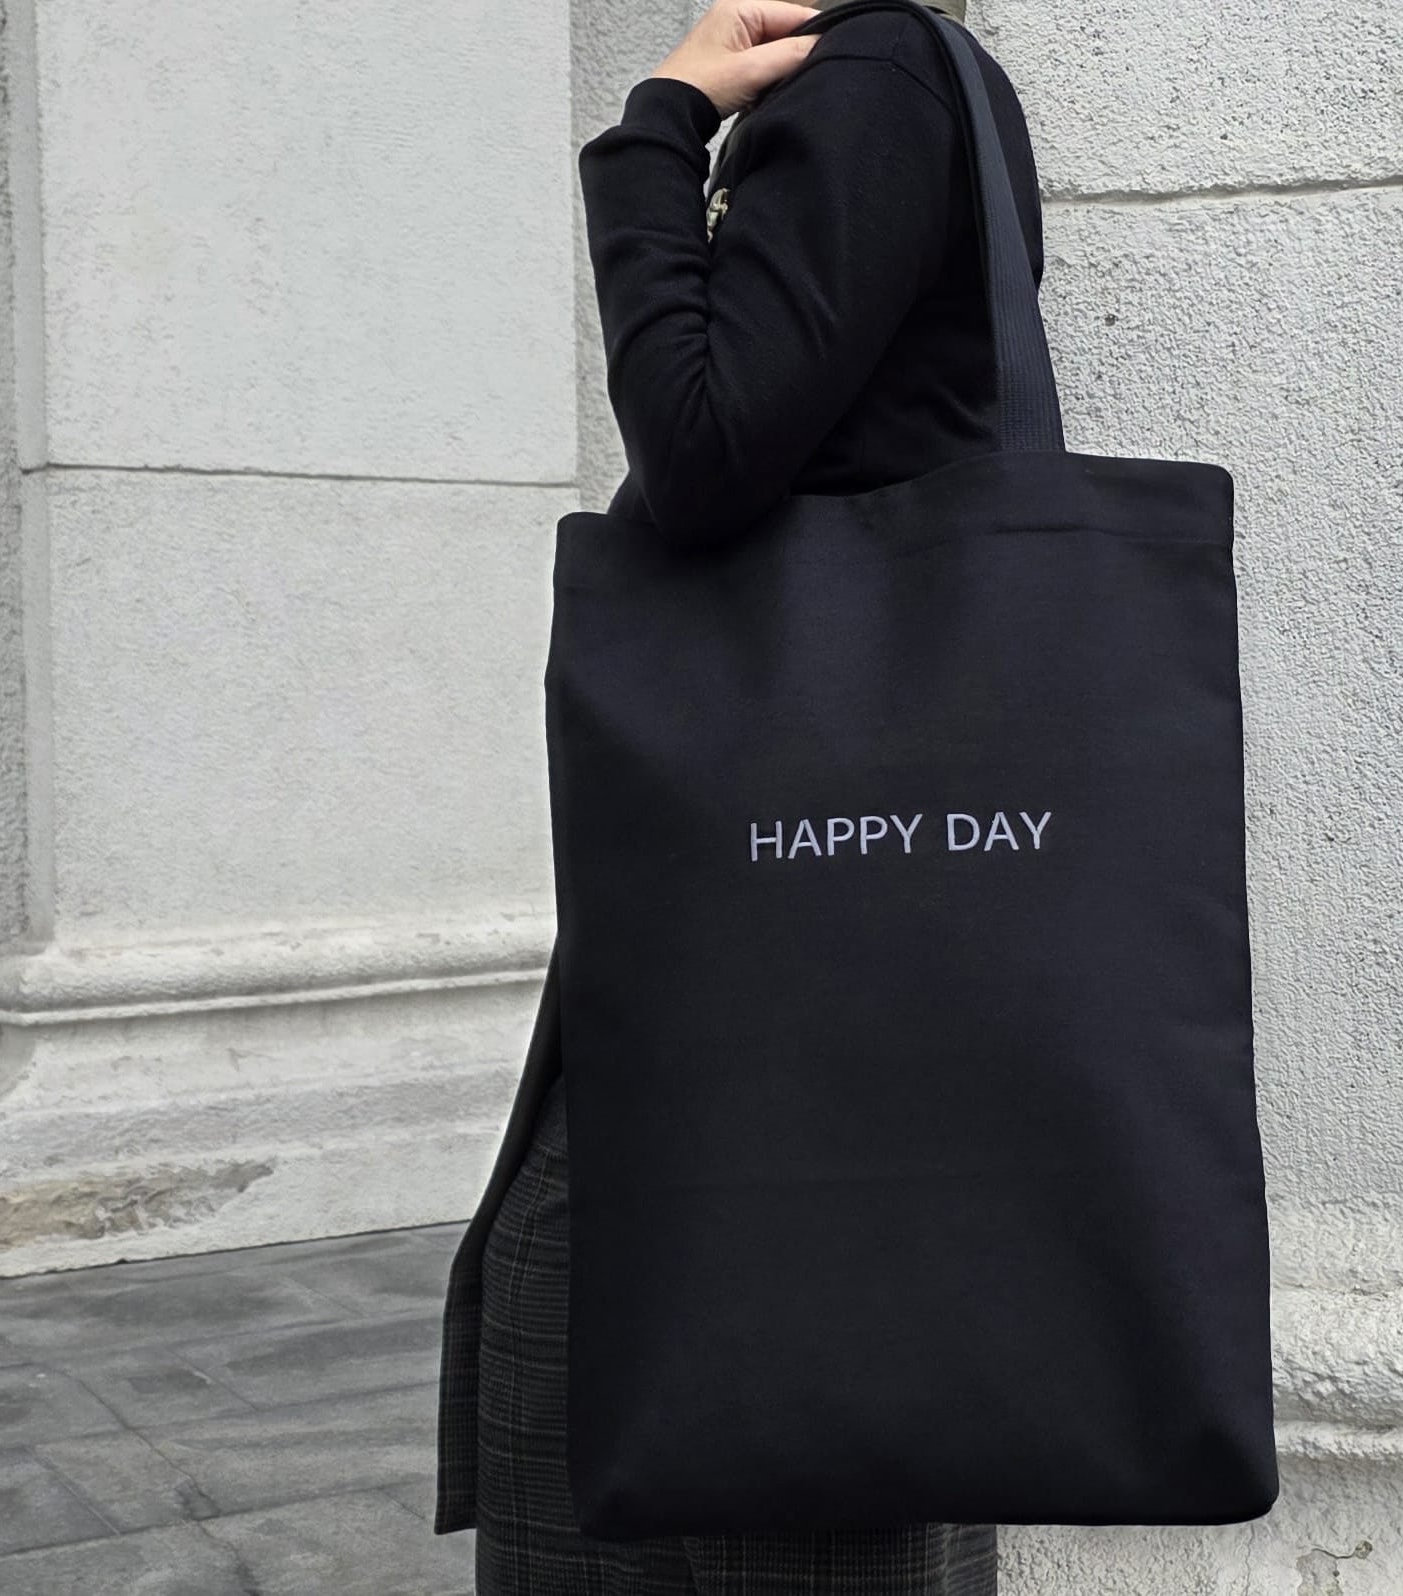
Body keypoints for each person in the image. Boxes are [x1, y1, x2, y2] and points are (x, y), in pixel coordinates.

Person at [435, 1, 1046, 1589]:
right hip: (832, 920)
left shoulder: (876, 76)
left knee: (618, 1322)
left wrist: (651, 135)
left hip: (763, 940)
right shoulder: (921, 80)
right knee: (833, 1364)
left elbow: (703, 447)